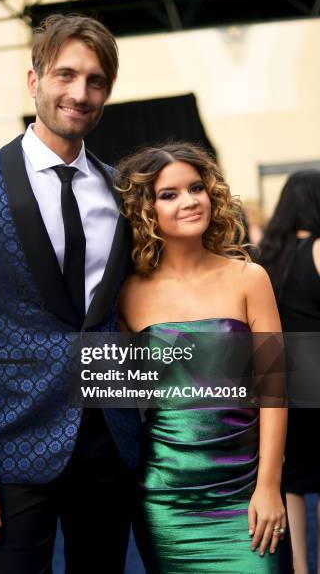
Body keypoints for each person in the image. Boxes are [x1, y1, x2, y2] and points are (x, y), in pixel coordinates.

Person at [0, 13, 141, 574]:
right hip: (7, 448)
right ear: (34, 80)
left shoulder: (123, 191)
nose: (80, 92)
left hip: (110, 439)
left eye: (95, 81)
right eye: (66, 75)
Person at [117, 143, 293, 572]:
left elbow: (276, 388)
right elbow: (123, 398)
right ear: (145, 208)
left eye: (196, 187)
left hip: (246, 492)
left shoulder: (249, 278)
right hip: (166, 498)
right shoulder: (126, 293)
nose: (190, 201)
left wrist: (269, 485)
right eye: (169, 194)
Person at [260, 170, 320, 574]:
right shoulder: (319, 249)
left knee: (293, 480)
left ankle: (298, 567)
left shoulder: (267, 254)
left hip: (285, 379)